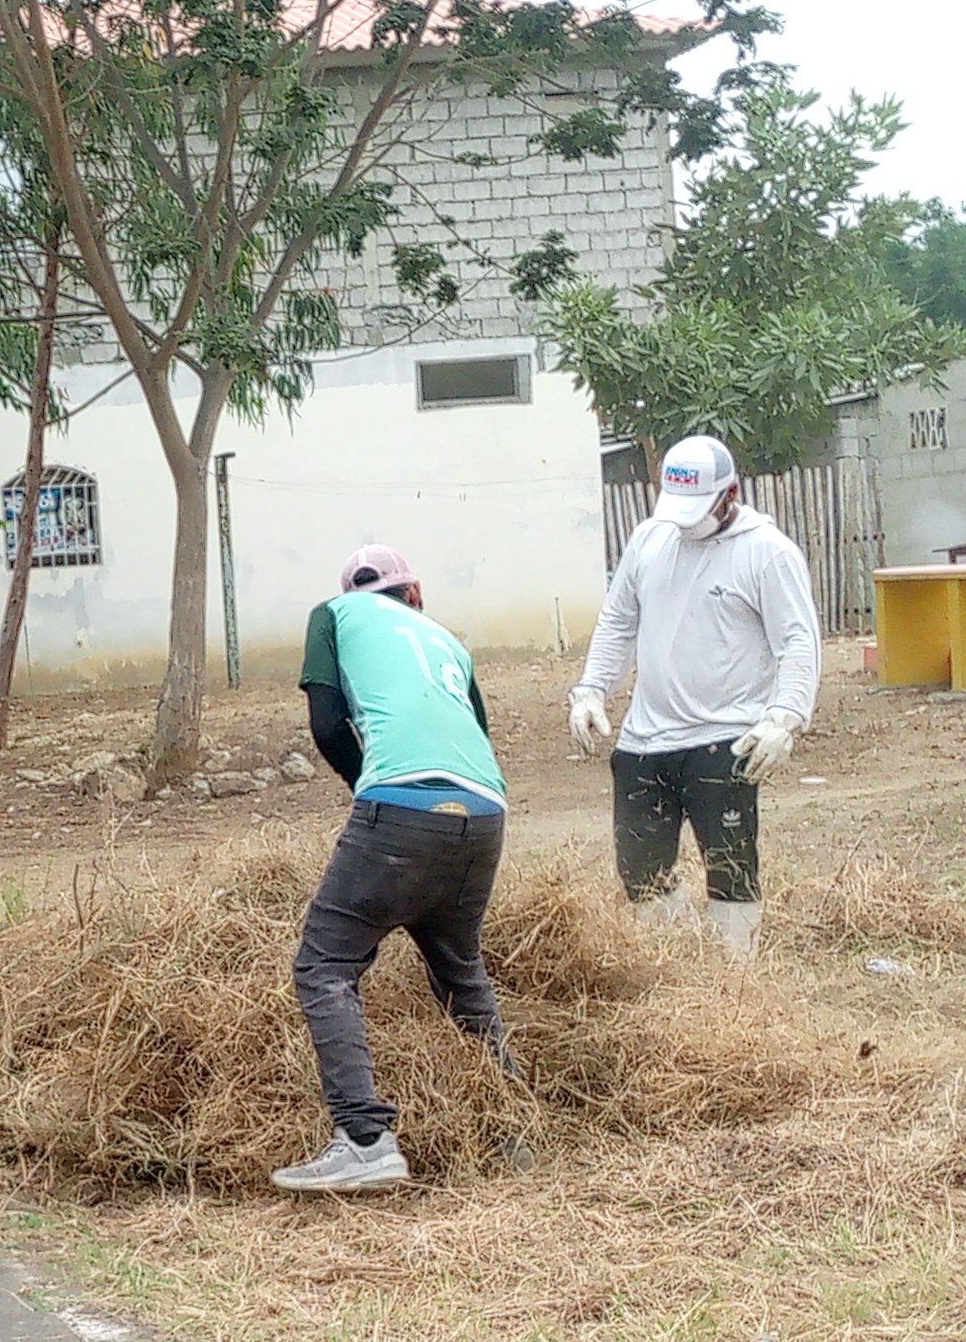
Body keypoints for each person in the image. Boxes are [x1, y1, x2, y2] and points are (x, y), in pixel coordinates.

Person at [272, 544, 514, 1195]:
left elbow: (328, 724)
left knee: (324, 965)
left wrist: (370, 792)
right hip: (484, 811)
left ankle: (364, 1140)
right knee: (460, 969)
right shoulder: (447, 641)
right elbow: (476, 736)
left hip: (400, 805)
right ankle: (514, 1124)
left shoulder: (334, 613)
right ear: (415, 594)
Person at [566, 432, 822, 960]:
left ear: (731, 494)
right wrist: (591, 689)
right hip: (644, 742)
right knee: (640, 870)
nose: (687, 522)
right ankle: (677, 965)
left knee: (730, 866)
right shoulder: (650, 539)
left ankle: (735, 975)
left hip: (724, 739)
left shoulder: (767, 552)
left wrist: (785, 717)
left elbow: (798, 639)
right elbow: (619, 620)